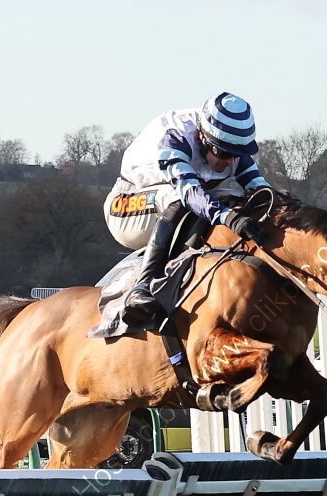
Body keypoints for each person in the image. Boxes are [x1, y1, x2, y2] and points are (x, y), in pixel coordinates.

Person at [103, 91, 270, 327]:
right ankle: (142, 286)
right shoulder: (175, 137)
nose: (229, 162)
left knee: (238, 200)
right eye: (222, 153)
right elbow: (190, 193)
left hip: (175, 203)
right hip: (125, 206)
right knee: (183, 199)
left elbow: (264, 193)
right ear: (202, 136)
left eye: (237, 155)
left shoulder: (231, 144)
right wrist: (229, 218)